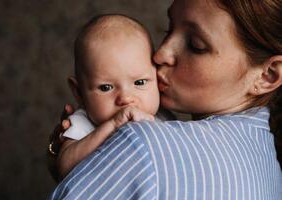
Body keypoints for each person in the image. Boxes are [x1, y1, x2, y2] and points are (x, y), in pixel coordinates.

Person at [48, 0, 282, 199]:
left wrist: (62, 158)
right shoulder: (270, 169)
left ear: (268, 75)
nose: (160, 54)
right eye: (169, 29)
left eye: (195, 46)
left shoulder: (140, 144)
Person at [48, 14, 175, 180]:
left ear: (157, 77)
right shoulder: (83, 123)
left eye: (140, 82)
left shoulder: (163, 118)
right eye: (106, 87)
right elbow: (64, 168)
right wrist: (113, 125)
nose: (126, 98)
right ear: (78, 93)